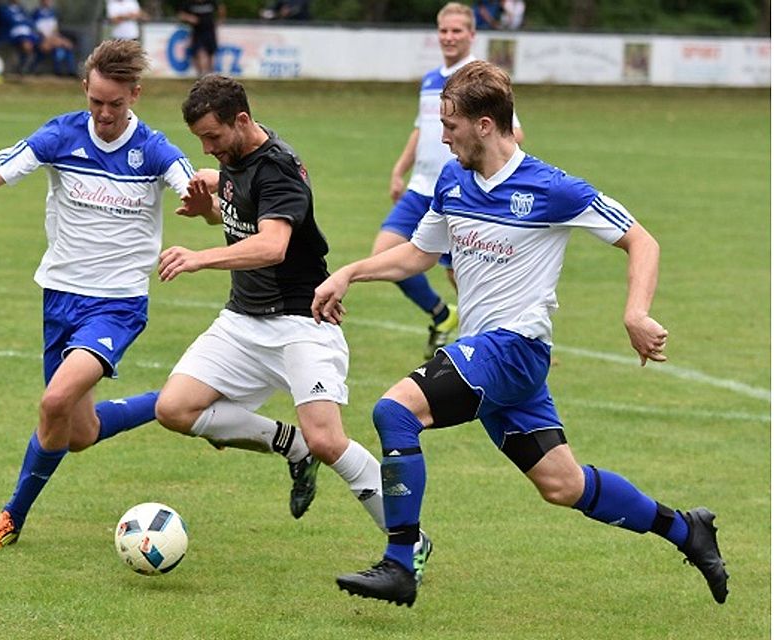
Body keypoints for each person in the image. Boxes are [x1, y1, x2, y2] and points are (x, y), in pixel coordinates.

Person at [312, 60, 728, 607]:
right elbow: (417, 254)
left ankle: (400, 562)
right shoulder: (453, 179)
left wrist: (635, 312)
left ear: (485, 124)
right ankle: (686, 529)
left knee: (394, 412)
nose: (443, 136)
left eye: (451, 125)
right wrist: (349, 272)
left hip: (513, 349)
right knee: (564, 485)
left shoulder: (552, 187)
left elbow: (641, 241)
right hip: (491, 359)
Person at [0, 39, 216, 550]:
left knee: (54, 400)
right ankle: (180, 400)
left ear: (135, 96)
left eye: (115, 104)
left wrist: (206, 206)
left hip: (116, 305)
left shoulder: (156, 151)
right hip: (60, 298)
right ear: (85, 90)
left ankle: (9, 519)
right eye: (96, 101)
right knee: (79, 432)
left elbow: (202, 199)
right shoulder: (60, 135)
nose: (103, 114)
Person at [152, 74, 434, 580]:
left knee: (329, 441)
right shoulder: (235, 158)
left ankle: (410, 540)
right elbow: (237, 207)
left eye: (212, 137)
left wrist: (199, 258)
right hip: (242, 321)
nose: (208, 149)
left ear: (241, 120)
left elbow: (271, 246)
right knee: (174, 408)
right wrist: (210, 209)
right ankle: (290, 444)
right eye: (201, 139)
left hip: (302, 323)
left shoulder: (278, 168)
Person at [376, 2, 523, 359]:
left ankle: (493, 343)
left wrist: (478, 172)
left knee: (464, 277)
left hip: (457, 192)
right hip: (420, 187)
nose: (449, 37)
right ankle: (442, 315)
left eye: (457, 30)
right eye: (444, 30)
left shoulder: (479, 81)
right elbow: (421, 129)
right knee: (384, 255)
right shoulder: (430, 80)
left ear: (472, 35)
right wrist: (399, 169)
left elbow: (513, 134)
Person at [177, 1, 226, 76]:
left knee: (211, 53)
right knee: (197, 52)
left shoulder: (211, 2)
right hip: (197, 31)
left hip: (210, 31)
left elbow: (221, 8)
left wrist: (220, 20)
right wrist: (190, 18)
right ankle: (200, 74)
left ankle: (210, 74)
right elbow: (181, 15)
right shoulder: (190, 3)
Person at [32, 0, 76, 76]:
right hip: (43, 40)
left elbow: (55, 29)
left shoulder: (53, 13)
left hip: (54, 38)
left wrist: (60, 39)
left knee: (67, 46)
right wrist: (51, 40)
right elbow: (37, 31)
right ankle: (57, 70)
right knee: (58, 47)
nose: (49, 2)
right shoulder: (36, 13)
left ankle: (70, 71)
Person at [0, 0, 40, 75]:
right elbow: (10, 22)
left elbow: (30, 22)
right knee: (26, 44)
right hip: (14, 34)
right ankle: (24, 67)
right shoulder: (4, 9)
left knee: (43, 43)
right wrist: (22, 22)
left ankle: (29, 67)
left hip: (28, 33)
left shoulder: (22, 9)